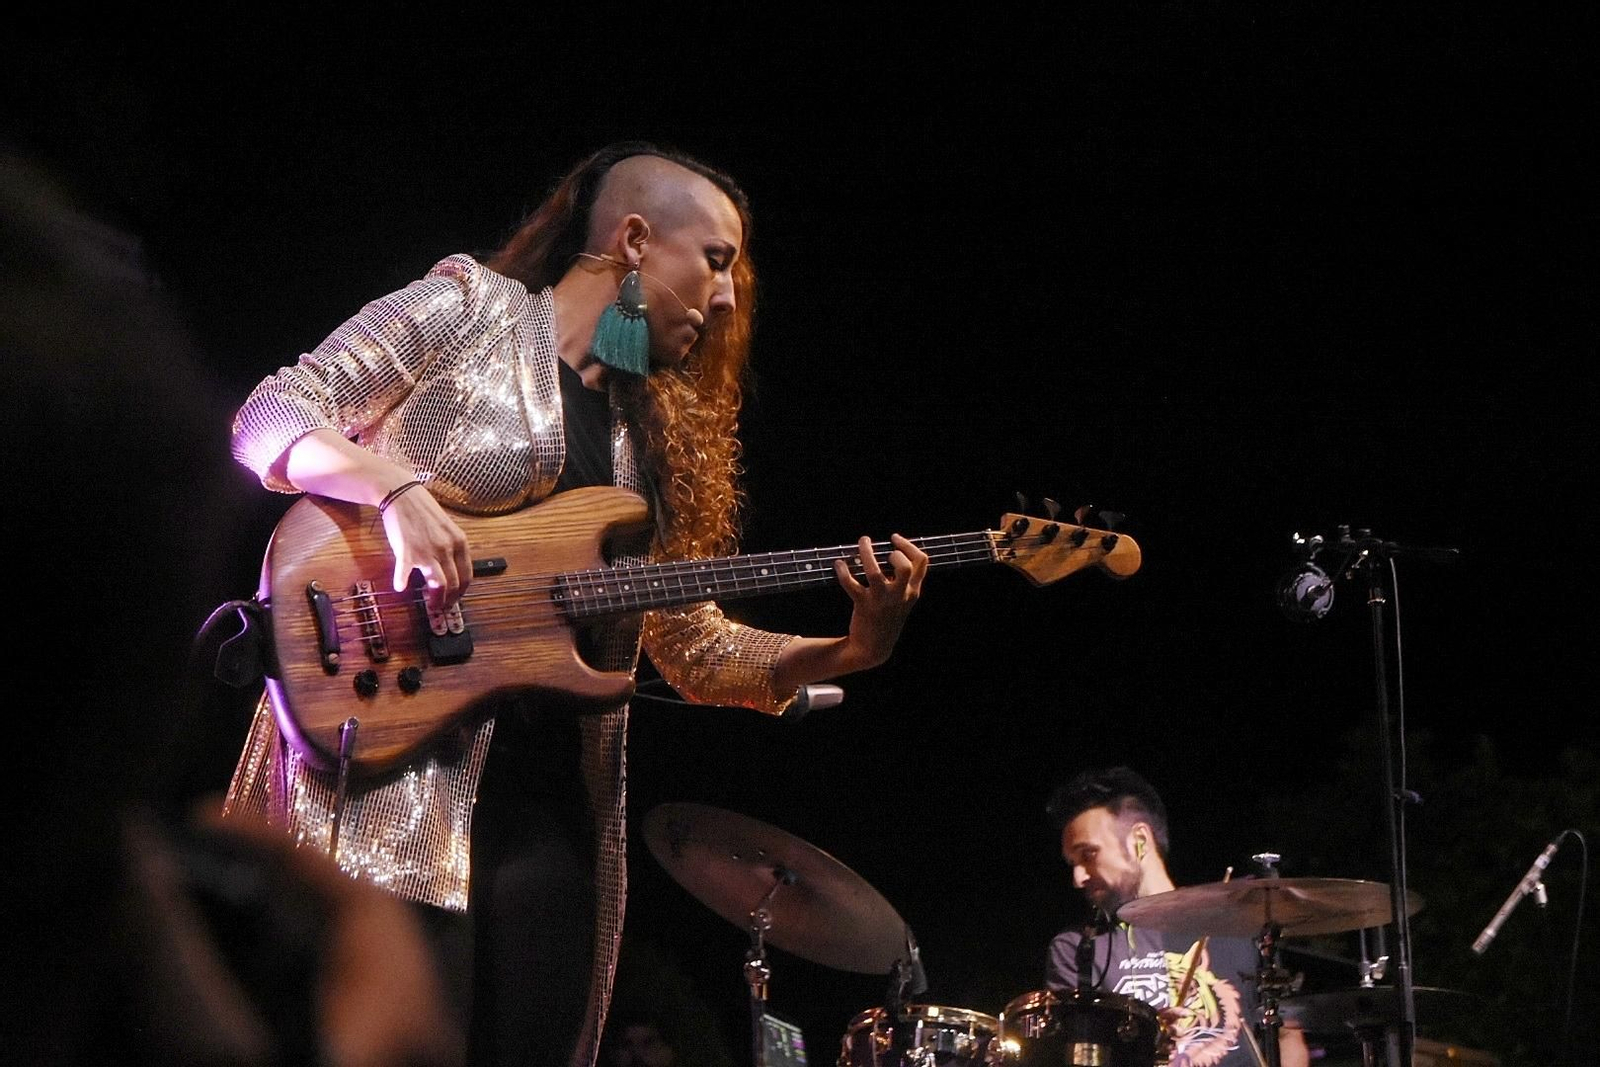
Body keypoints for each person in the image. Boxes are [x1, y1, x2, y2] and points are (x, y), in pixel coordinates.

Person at [220, 141, 929, 1067]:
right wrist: (391, 489)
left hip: (551, 806)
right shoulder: (467, 308)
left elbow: (695, 649)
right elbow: (271, 413)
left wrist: (851, 650)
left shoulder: (647, 443)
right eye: (715, 260)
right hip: (391, 752)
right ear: (634, 240)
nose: (724, 299)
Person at [1044, 766, 1309, 1067]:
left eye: (1088, 855)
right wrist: (1144, 1045)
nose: (1078, 877)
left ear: (1139, 840)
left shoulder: (1239, 923)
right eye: (1072, 863)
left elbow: (1287, 1036)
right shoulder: (1076, 950)